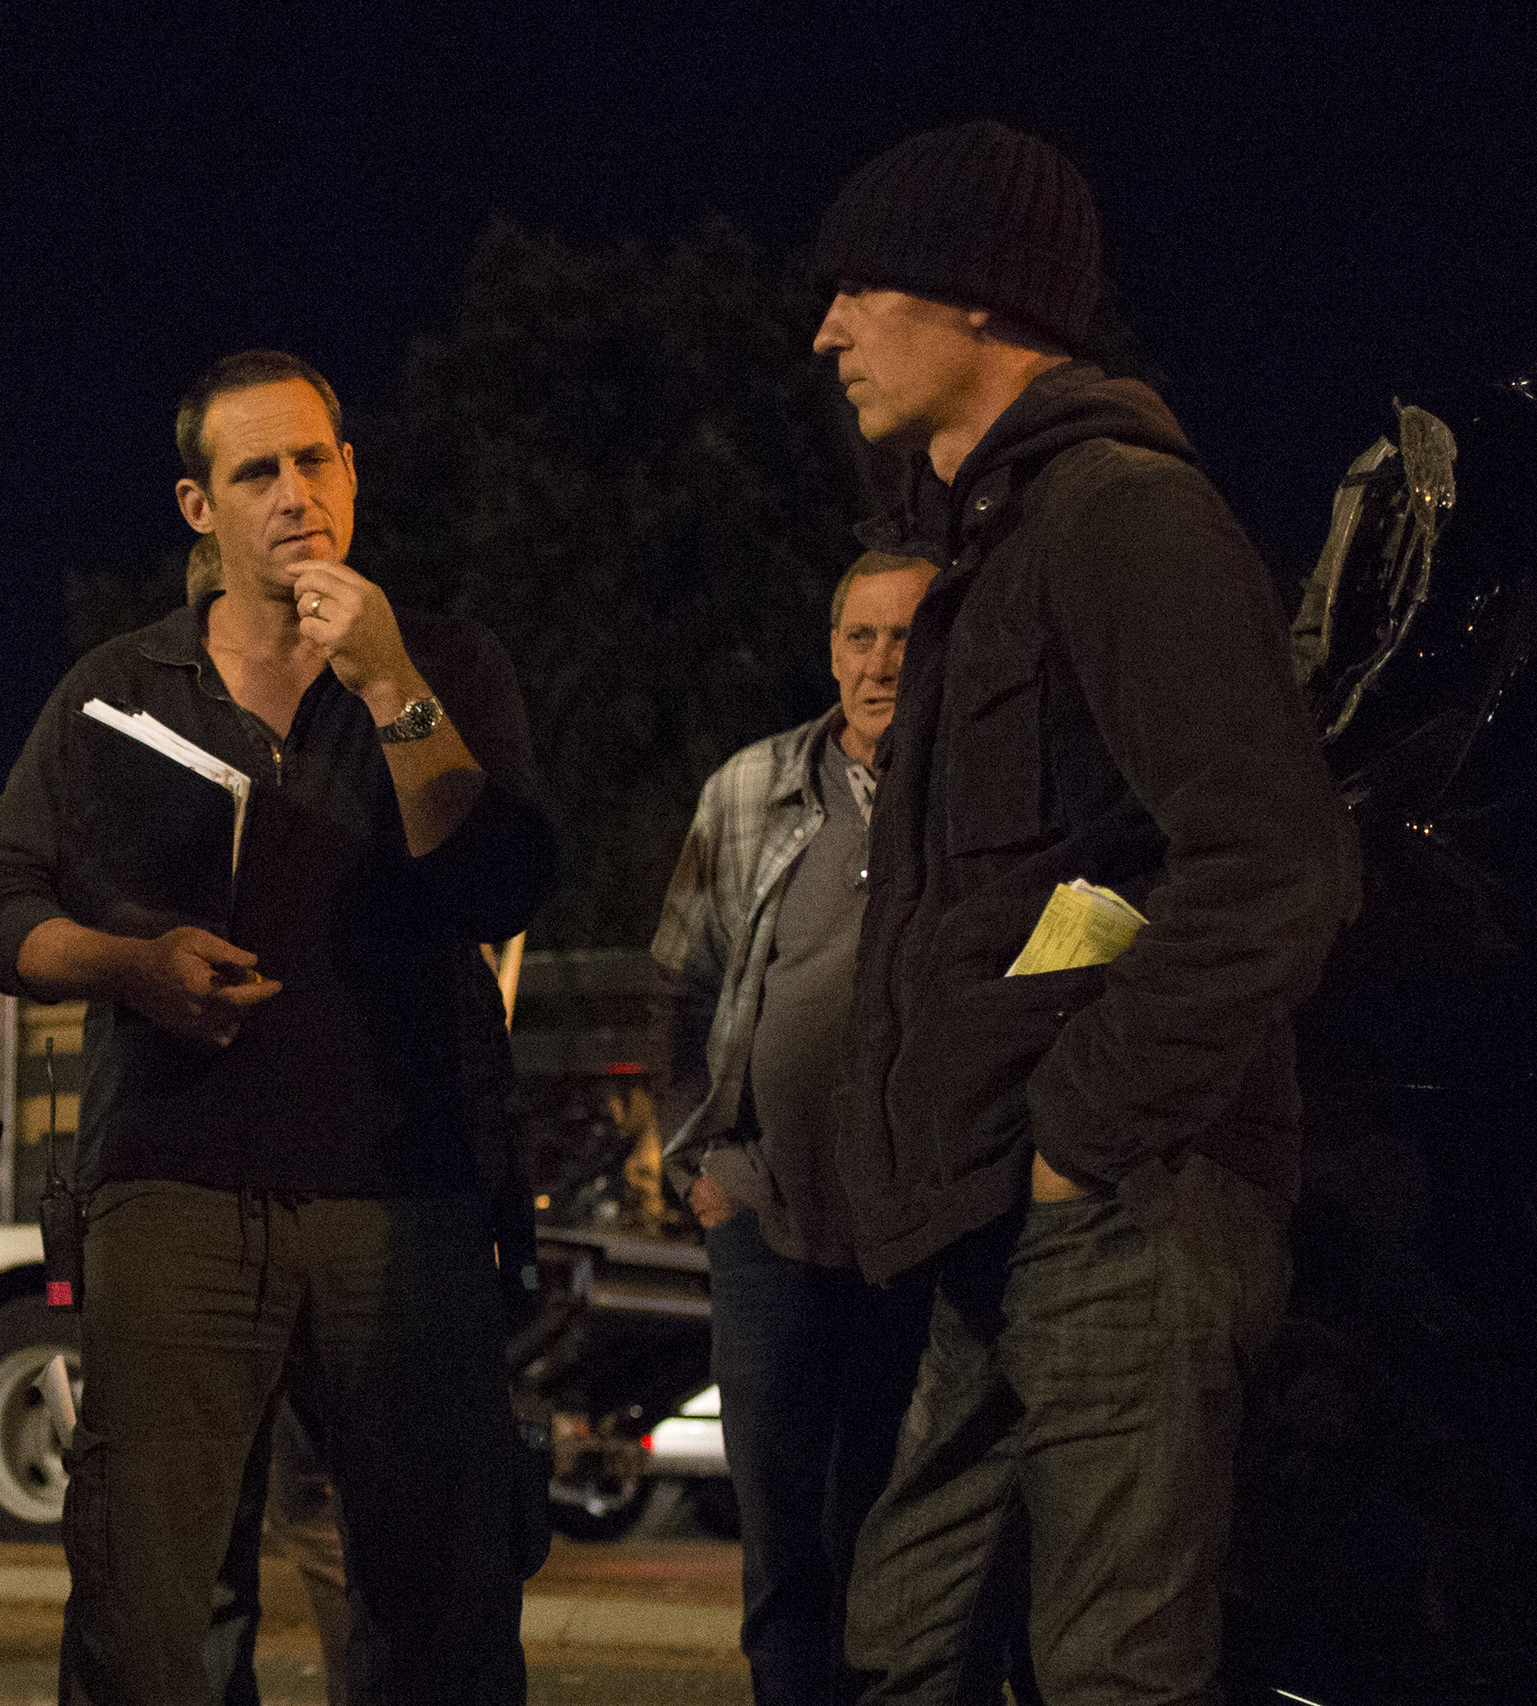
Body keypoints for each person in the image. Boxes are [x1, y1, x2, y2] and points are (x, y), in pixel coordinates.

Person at [808, 122, 1358, 1702]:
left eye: (862, 286)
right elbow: (1066, 885)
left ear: (979, 297)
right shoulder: (990, 550)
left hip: (1118, 1204)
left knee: (1110, 1667)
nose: (826, 327)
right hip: (1005, 1211)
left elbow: (1271, 867)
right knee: (900, 1642)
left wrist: (1084, 1129)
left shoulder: (1125, 516)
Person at [0, 348, 555, 1706]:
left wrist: (390, 679)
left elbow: (497, 882)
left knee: (441, 1602)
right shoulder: (118, 692)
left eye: (318, 460)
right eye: (257, 471)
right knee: (150, 1610)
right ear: (196, 505)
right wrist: (124, 964)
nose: (297, 494)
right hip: (171, 1186)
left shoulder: (445, 660)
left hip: (401, 1201)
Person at [652, 550, 940, 1706]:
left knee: (902, 1523)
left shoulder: (973, 792)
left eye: (906, 637)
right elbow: (677, 980)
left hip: (918, 1226)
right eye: (860, 637)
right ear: (831, 650)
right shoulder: (749, 787)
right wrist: (697, 1166)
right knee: (780, 1532)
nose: (880, 664)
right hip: (765, 1215)